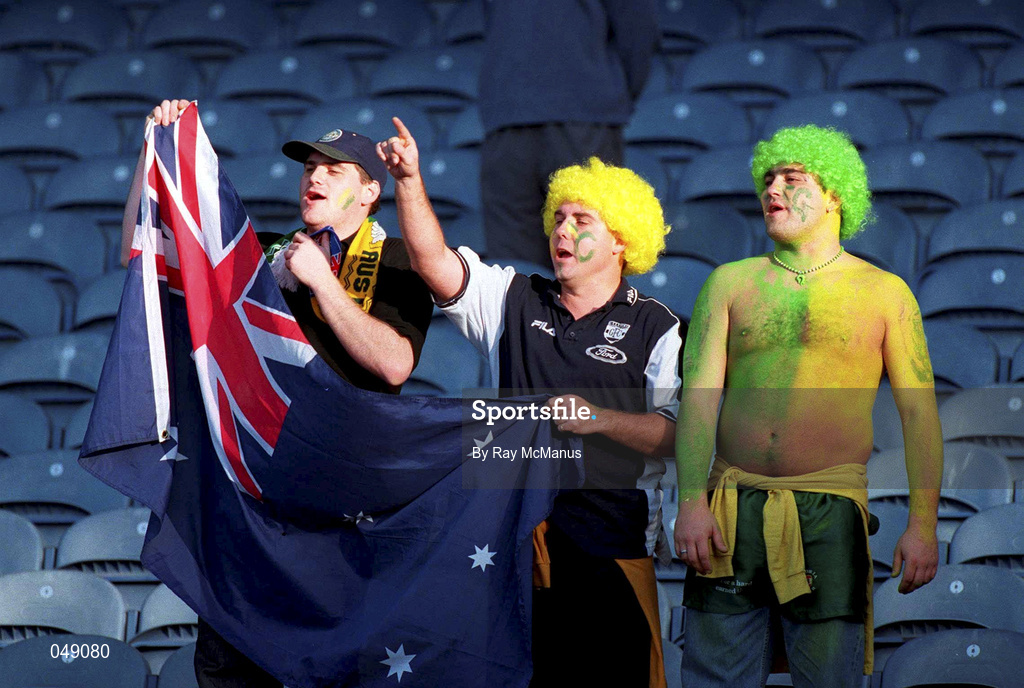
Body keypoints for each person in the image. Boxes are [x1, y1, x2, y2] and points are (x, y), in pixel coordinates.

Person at [122, 100, 434, 688]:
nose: (314, 176)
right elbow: (142, 255)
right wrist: (153, 153)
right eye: (309, 166)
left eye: (334, 169)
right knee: (231, 666)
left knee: (333, 668)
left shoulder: (398, 263)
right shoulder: (259, 252)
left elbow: (394, 363)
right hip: (250, 504)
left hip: (340, 511)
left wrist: (322, 283)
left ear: (370, 193)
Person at [377, 117, 681, 687]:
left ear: (621, 239)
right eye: (558, 218)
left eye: (581, 220)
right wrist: (410, 180)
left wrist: (600, 420)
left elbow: (677, 434)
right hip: (512, 549)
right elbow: (433, 263)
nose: (562, 230)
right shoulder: (512, 298)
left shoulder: (656, 326)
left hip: (612, 546)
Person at [673, 125, 943, 687]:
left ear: (835, 195)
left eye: (792, 179)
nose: (773, 190)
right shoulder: (727, 283)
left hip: (830, 511)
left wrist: (922, 523)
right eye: (767, 179)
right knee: (712, 677)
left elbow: (919, 415)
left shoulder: (886, 291)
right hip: (730, 508)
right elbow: (698, 402)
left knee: (829, 680)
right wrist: (691, 501)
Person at [478, 0, 659, 265]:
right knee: (585, 263)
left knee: (516, 269)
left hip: (510, 112)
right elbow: (640, 28)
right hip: (582, 114)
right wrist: (612, 91)